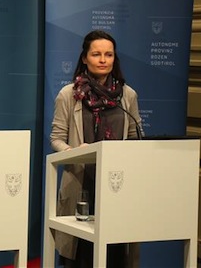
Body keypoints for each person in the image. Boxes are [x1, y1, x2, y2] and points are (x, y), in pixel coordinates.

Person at [50, 30, 141, 268]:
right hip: (82, 183)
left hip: (116, 186)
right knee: (81, 255)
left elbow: (135, 138)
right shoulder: (69, 95)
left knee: (115, 253)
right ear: (84, 58)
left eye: (108, 55)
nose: (103, 60)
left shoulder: (127, 96)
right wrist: (75, 150)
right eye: (97, 54)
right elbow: (56, 138)